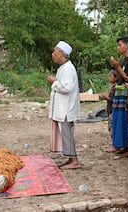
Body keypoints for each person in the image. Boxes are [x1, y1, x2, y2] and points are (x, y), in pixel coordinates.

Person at [48, 40, 80, 170]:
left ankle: (75, 160)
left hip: (66, 108)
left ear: (62, 53)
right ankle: (70, 158)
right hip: (62, 107)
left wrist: (54, 82)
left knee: (67, 134)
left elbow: (66, 88)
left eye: (55, 51)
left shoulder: (68, 69)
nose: (53, 54)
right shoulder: (64, 67)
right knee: (64, 134)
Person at [107, 36, 128, 154]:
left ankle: (122, 144)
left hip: (126, 90)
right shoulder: (123, 60)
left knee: (122, 118)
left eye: (120, 45)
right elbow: (120, 76)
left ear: (127, 45)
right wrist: (117, 66)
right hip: (119, 89)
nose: (118, 47)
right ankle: (117, 144)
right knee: (117, 118)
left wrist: (117, 66)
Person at [100, 69, 119, 137]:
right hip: (110, 109)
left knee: (112, 125)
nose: (109, 78)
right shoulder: (112, 86)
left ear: (116, 77)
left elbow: (114, 99)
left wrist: (107, 98)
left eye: (110, 76)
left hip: (113, 109)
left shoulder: (116, 87)